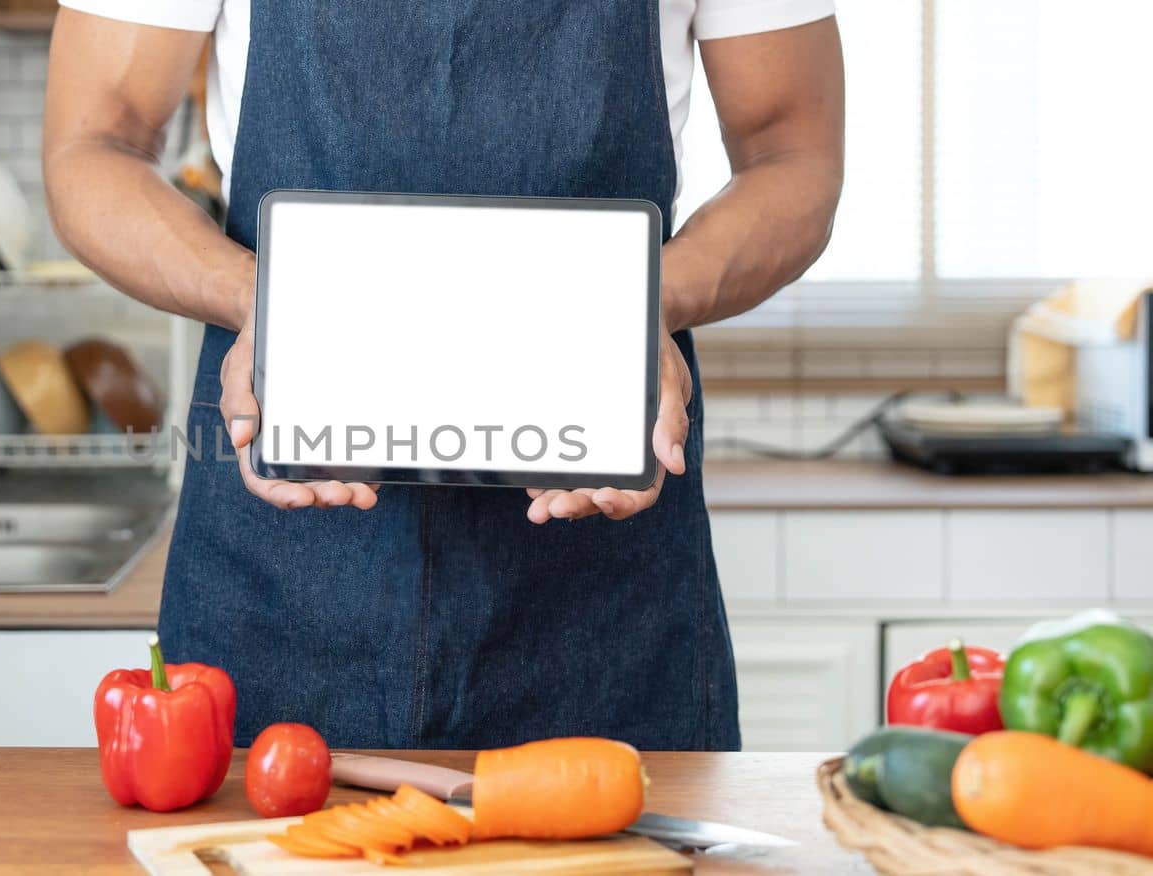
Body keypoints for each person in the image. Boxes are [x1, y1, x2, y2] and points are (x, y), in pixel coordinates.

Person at [43, 1, 843, 749]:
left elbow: (794, 152)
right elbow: (92, 146)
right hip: (287, 566)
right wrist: (276, 307)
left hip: (600, 580)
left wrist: (634, 306)